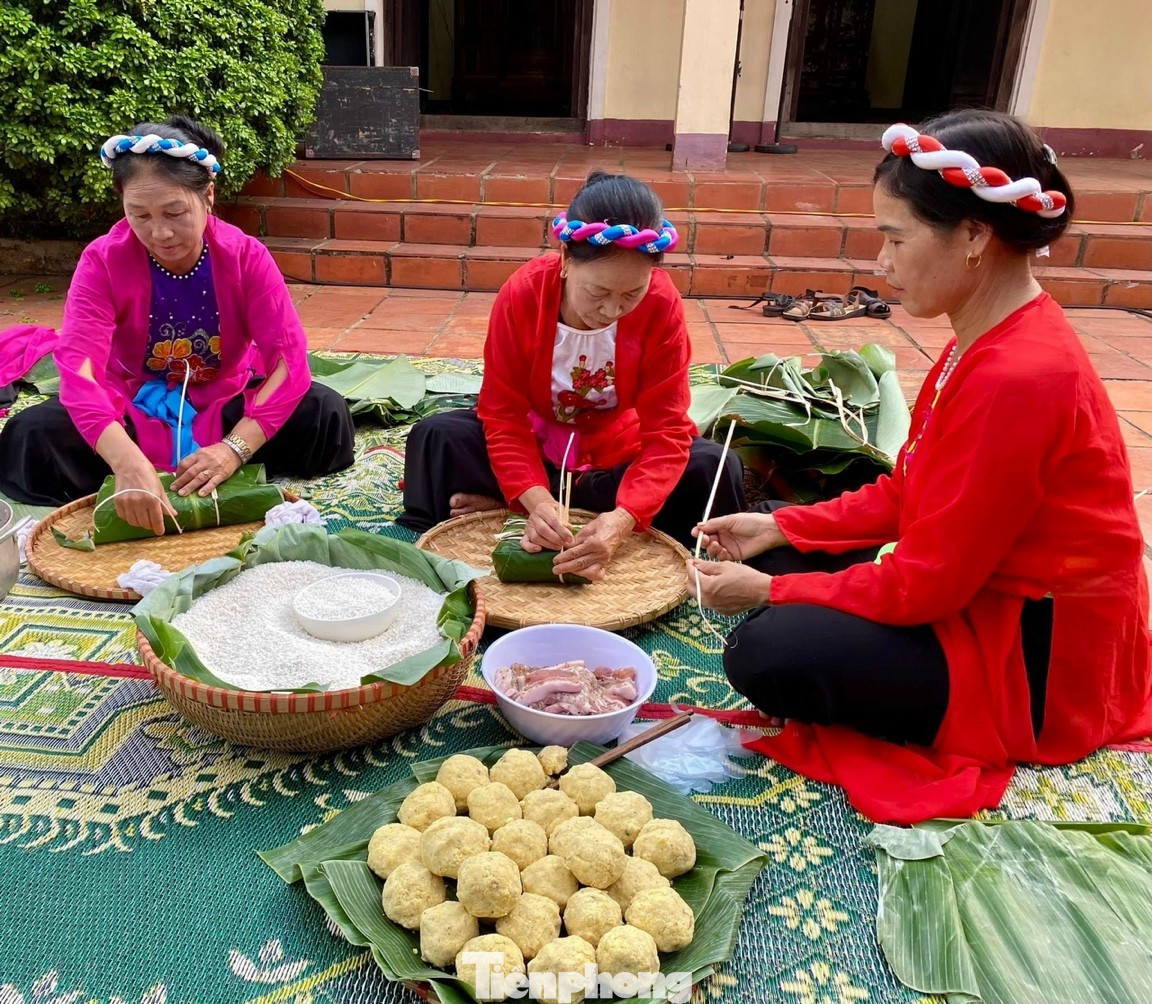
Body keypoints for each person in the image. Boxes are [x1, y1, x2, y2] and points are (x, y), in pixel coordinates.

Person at [689, 109, 1152, 822]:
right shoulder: (986, 336)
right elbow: (910, 491)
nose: (881, 263)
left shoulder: (1018, 374)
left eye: (895, 238)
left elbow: (927, 585)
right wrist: (781, 530)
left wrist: (769, 595)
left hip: (1039, 659)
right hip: (980, 592)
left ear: (973, 235)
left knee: (766, 649)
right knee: (785, 561)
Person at [0, 116, 355, 531]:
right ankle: (141, 474)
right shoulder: (102, 260)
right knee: (32, 435)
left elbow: (288, 365)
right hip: (131, 405)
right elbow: (82, 373)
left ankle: (203, 465)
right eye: (140, 215)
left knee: (324, 413)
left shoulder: (247, 257)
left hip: (225, 401)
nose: (160, 233)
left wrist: (233, 450)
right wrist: (126, 461)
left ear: (207, 195)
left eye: (174, 212)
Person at [399, 171, 743, 580]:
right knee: (436, 438)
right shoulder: (523, 293)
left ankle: (515, 509)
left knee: (715, 466)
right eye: (598, 293)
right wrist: (539, 500)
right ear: (565, 259)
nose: (613, 310)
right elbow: (504, 416)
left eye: (631, 295)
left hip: (616, 450)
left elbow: (666, 431)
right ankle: (545, 510)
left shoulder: (662, 302)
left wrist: (622, 520)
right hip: (537, 442)